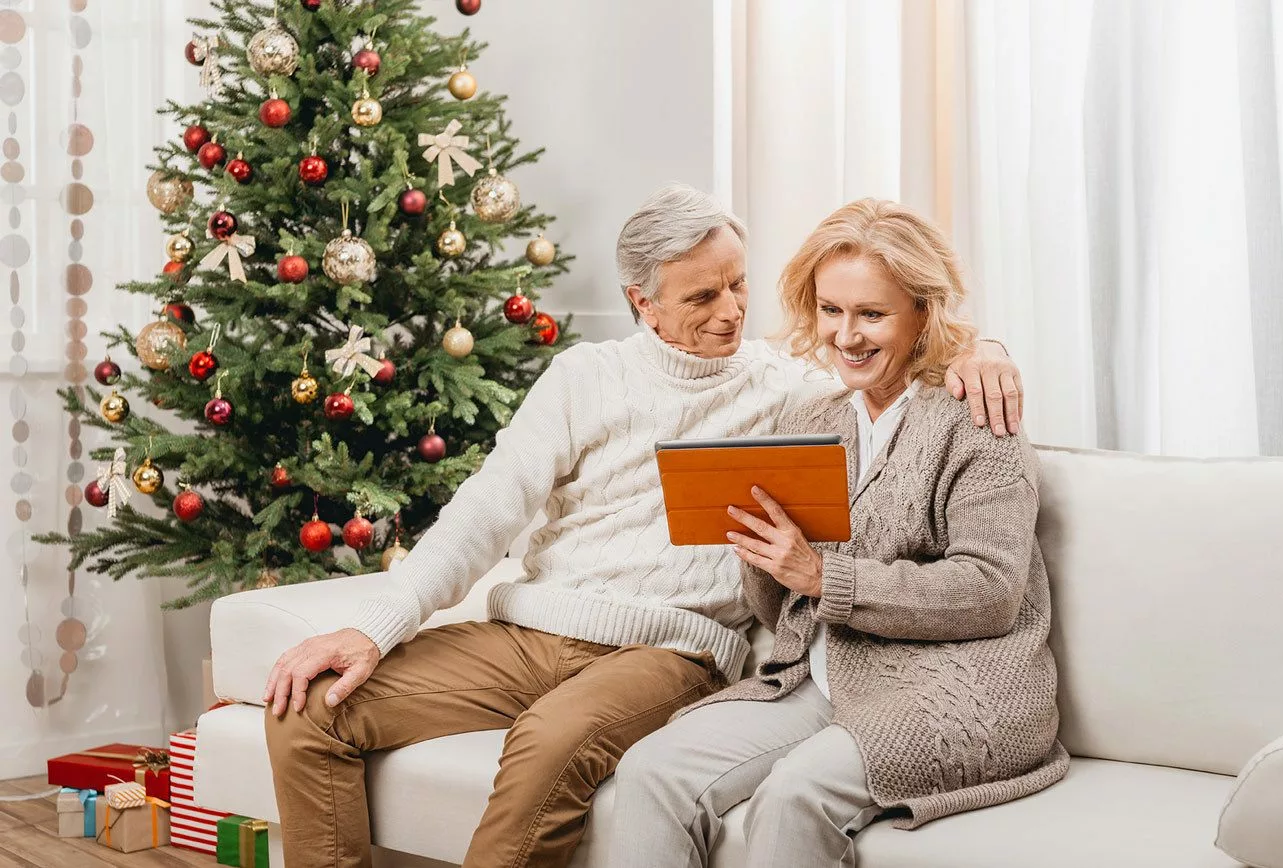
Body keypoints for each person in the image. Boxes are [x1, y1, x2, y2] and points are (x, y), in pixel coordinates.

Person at [260, 185, 1025, 868]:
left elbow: (896, 344)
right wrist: (371, 628)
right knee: (312, 707)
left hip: (672, 648)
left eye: (738, 285)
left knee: (548, 744)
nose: (730, 311)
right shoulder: (586, 378)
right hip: (532, 633)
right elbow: (485, 512)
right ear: (642, 302)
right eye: (701, 298)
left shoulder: (790, 389)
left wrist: (984, 348)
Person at [610, 198, 1068, 868]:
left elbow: (992, 589)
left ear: (922, 313)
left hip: (957, 688)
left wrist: (824, 576)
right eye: (831, 310)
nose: (846, 335)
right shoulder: (814, 414)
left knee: (793, 796)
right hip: (820, 677)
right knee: (650, 772)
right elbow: (782, 613)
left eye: (871, 314)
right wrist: (766, 556)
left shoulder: (976, 420)